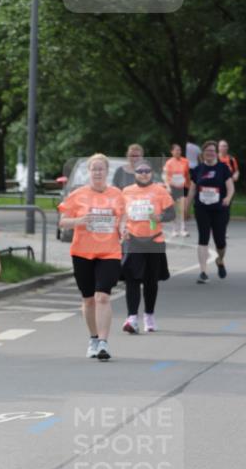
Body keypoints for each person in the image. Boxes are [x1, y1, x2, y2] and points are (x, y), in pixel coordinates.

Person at [58, 154, 126, 360]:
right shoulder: (77, 195)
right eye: (94, 169)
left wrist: (124, 228)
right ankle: (94, 338)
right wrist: (79, 220)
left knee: (102, 296)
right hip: (82, 252)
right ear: (89, 172)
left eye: (101, 169)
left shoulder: (117, 194)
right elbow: (63, 222)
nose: (97, 172)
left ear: (107, 172)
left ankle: (104, 343)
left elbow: (123, 217)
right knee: (88, 300)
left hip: (109, 252)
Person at [120, 162, 175, 333]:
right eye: (140, 171)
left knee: (151, 281)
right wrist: (121, 229)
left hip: (154, 240)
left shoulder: (160, 190)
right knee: (132, 279)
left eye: (147, 171)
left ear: (151, 173)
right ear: (134, 173)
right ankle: (132, 318)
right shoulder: (126, 191)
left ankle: (149, 315)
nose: (144, 174)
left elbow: (171, 214)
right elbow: (120, 214)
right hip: (132, 239)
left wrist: (159, 217)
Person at [186, 140, 234, 283]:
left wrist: (228, 197)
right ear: (203, 153)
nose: (210, 153)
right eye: (207, 151)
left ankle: (220, 259)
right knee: (203, 238)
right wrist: (186, 207)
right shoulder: (198, 170)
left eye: (212, 151)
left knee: (220, 241)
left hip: (220, 209)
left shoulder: (223, 168)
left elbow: (231, 187)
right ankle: (203, 272)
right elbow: (192, 190)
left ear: (216, 153)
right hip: (202, 208)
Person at [163, 143, 190, 236]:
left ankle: (183, 228)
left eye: (179, 150)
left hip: (183, 186)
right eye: (176, 150)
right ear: (172, 152)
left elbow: (187, 174)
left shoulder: (185, 161)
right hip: (173, 187)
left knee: (182, 208)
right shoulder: (169, 163)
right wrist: (168, 187)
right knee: (174, 209)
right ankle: (174, 229)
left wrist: (188, 185)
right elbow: (166, 176)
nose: (178, 152)